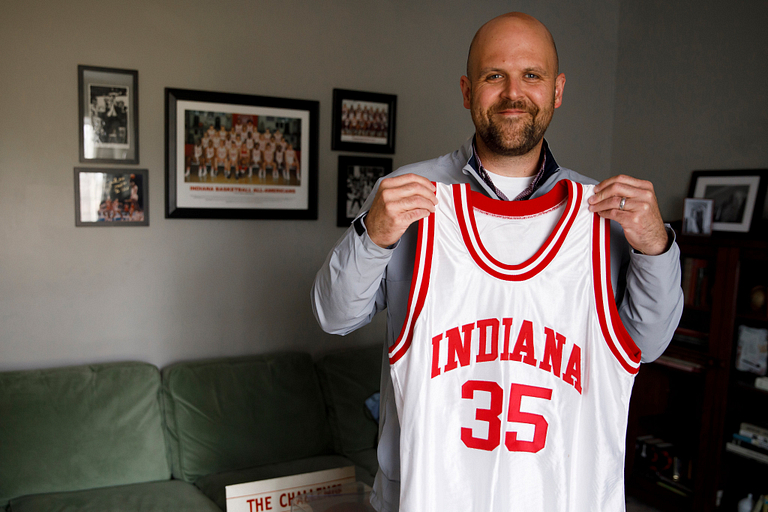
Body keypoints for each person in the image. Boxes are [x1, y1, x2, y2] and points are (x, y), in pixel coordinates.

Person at [312, 12, 683, 512]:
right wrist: (372, 233)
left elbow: (645, 345)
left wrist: (654, 248)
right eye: (495, 76)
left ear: (557, 90)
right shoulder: (408, 195)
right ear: (467, 90)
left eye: (532, 75)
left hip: (557, 494)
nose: (514, 93)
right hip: (420, 493)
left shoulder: (602, 215)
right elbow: (335, 316)